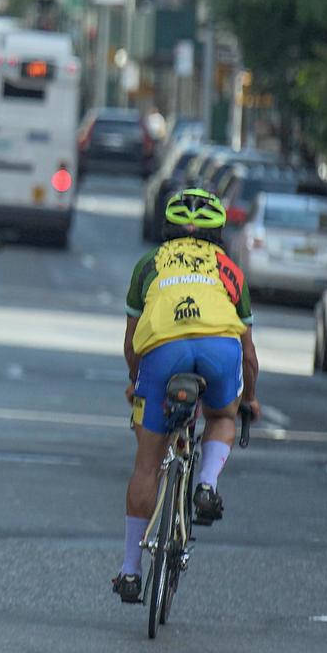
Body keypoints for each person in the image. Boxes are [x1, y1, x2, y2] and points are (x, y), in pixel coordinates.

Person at [112, 187, 262, 604]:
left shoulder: (149, 265)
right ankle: (207, 485)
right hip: (219, 350)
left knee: (146, 466)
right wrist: (248, 399)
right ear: (219, 231)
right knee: (221, 417)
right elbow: (248, 353)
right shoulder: (229, 270)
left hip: (163, 352)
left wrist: (135, 380)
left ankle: (129, 570)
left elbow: (131, 343)